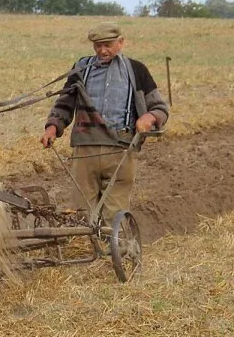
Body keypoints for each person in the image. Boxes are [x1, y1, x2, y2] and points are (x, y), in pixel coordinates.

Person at [39, 21, 169, 224]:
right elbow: (65, 102)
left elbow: (160, 108)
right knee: (82, 212)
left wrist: (149, 117)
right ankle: (89, 250)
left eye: (107, 44)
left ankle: (113, 249)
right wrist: (52, 127)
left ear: (121, 43)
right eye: (98, 46)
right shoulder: (81, 68)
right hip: (85, 149)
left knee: (115, 213)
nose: (102, 50)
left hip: (121, 149)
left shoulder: (136, 70)